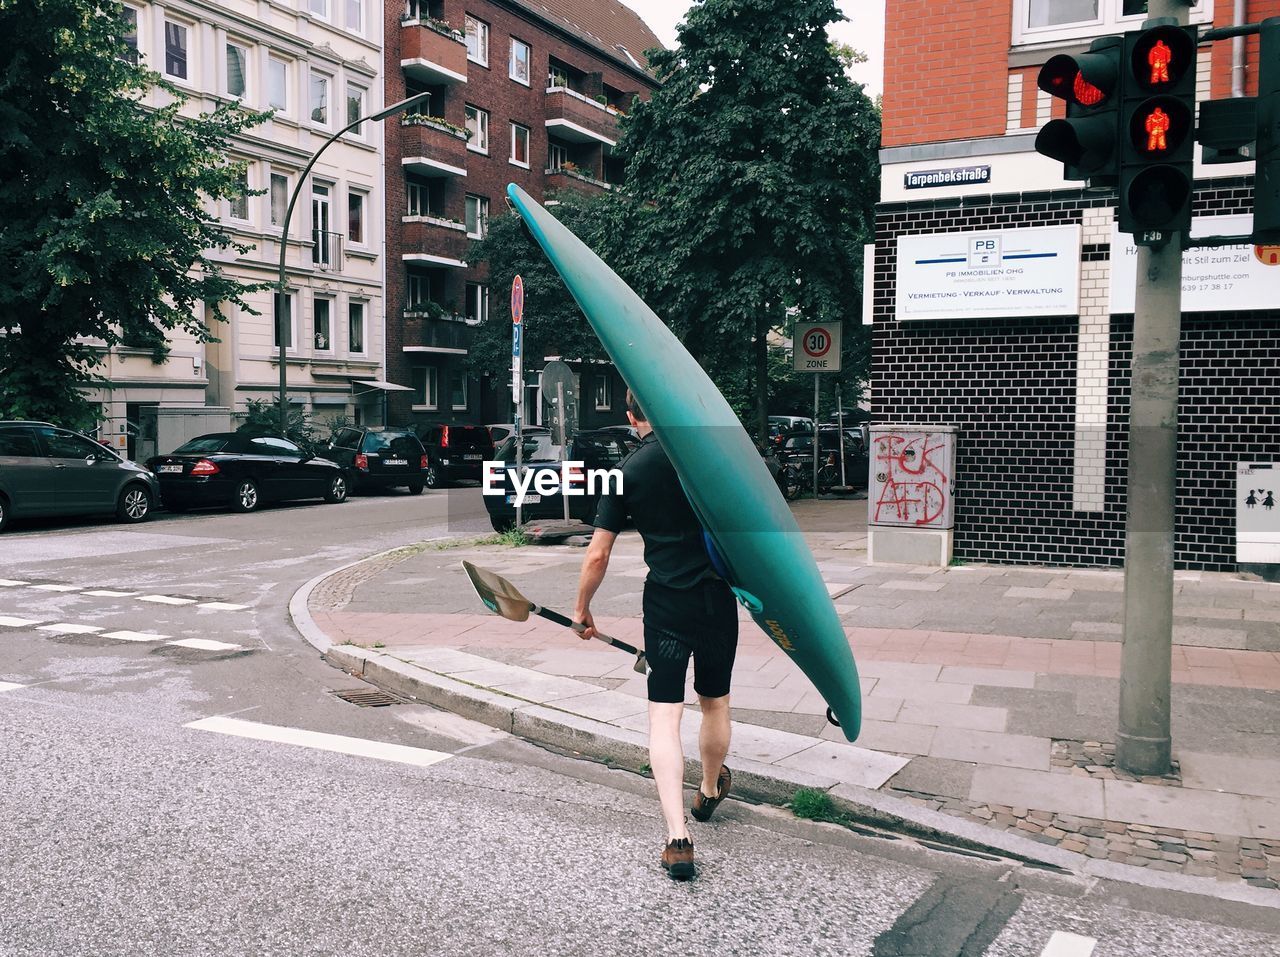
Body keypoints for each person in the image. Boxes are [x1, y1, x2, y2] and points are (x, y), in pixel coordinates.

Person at [573, 389, 738, 881]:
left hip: (666, 604)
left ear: (630, 416)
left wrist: (582, 609)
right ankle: (709, 788)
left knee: (664, 719)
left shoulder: (628, 472)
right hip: (716, 600)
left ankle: (677, 836)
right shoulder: (703, 459)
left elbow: (598, 554)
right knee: (715, 703)